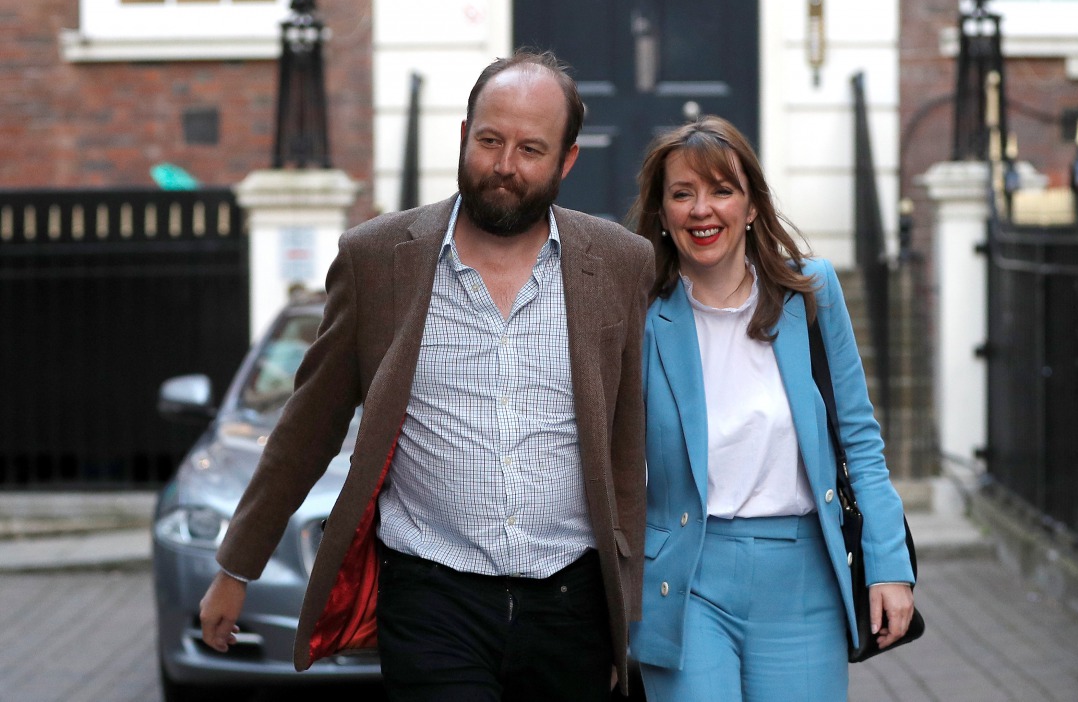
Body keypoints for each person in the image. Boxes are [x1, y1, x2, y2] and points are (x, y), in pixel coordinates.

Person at [199, 50, 655, 701]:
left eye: (531, 149)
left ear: (567, 160)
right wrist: (236, 567)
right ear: (464, 135)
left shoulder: (619, 264)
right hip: (432, 601)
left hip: (571, 605)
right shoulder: (378, 260)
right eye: (489, 140)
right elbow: (308, 427)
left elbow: (627, 448)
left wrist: (622, 615)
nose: (505, 165)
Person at [626, 116, 914, 701]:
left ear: (753, 205)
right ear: (662, 212)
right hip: (686, 580)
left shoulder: (810, 293)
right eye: (682, 194)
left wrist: (888, 563)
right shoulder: (641, 312)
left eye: (721, 190)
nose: (702, 210)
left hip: (803, 582)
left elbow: (858, 438)